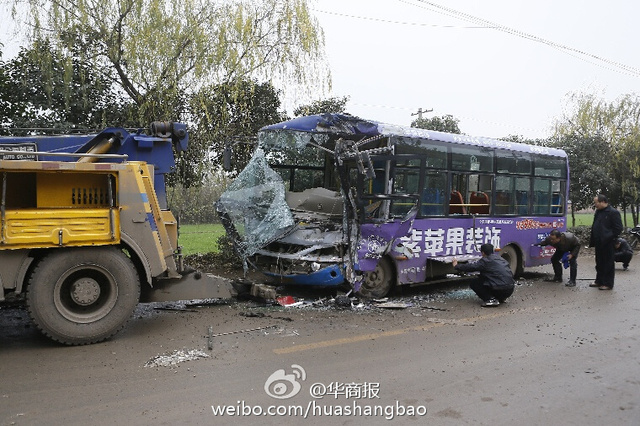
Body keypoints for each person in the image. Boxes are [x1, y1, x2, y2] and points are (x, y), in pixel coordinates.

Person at [589, 194, 623, 290]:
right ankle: (599, 281)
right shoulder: (598, 212)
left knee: (608, 263)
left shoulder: (613, 212)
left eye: (597, 202)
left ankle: (608, 283)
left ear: (603, 202)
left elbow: (618, 228)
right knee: (599, 262)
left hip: (608, 242)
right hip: (598, 242)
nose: (595, 204)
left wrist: (609, 237)